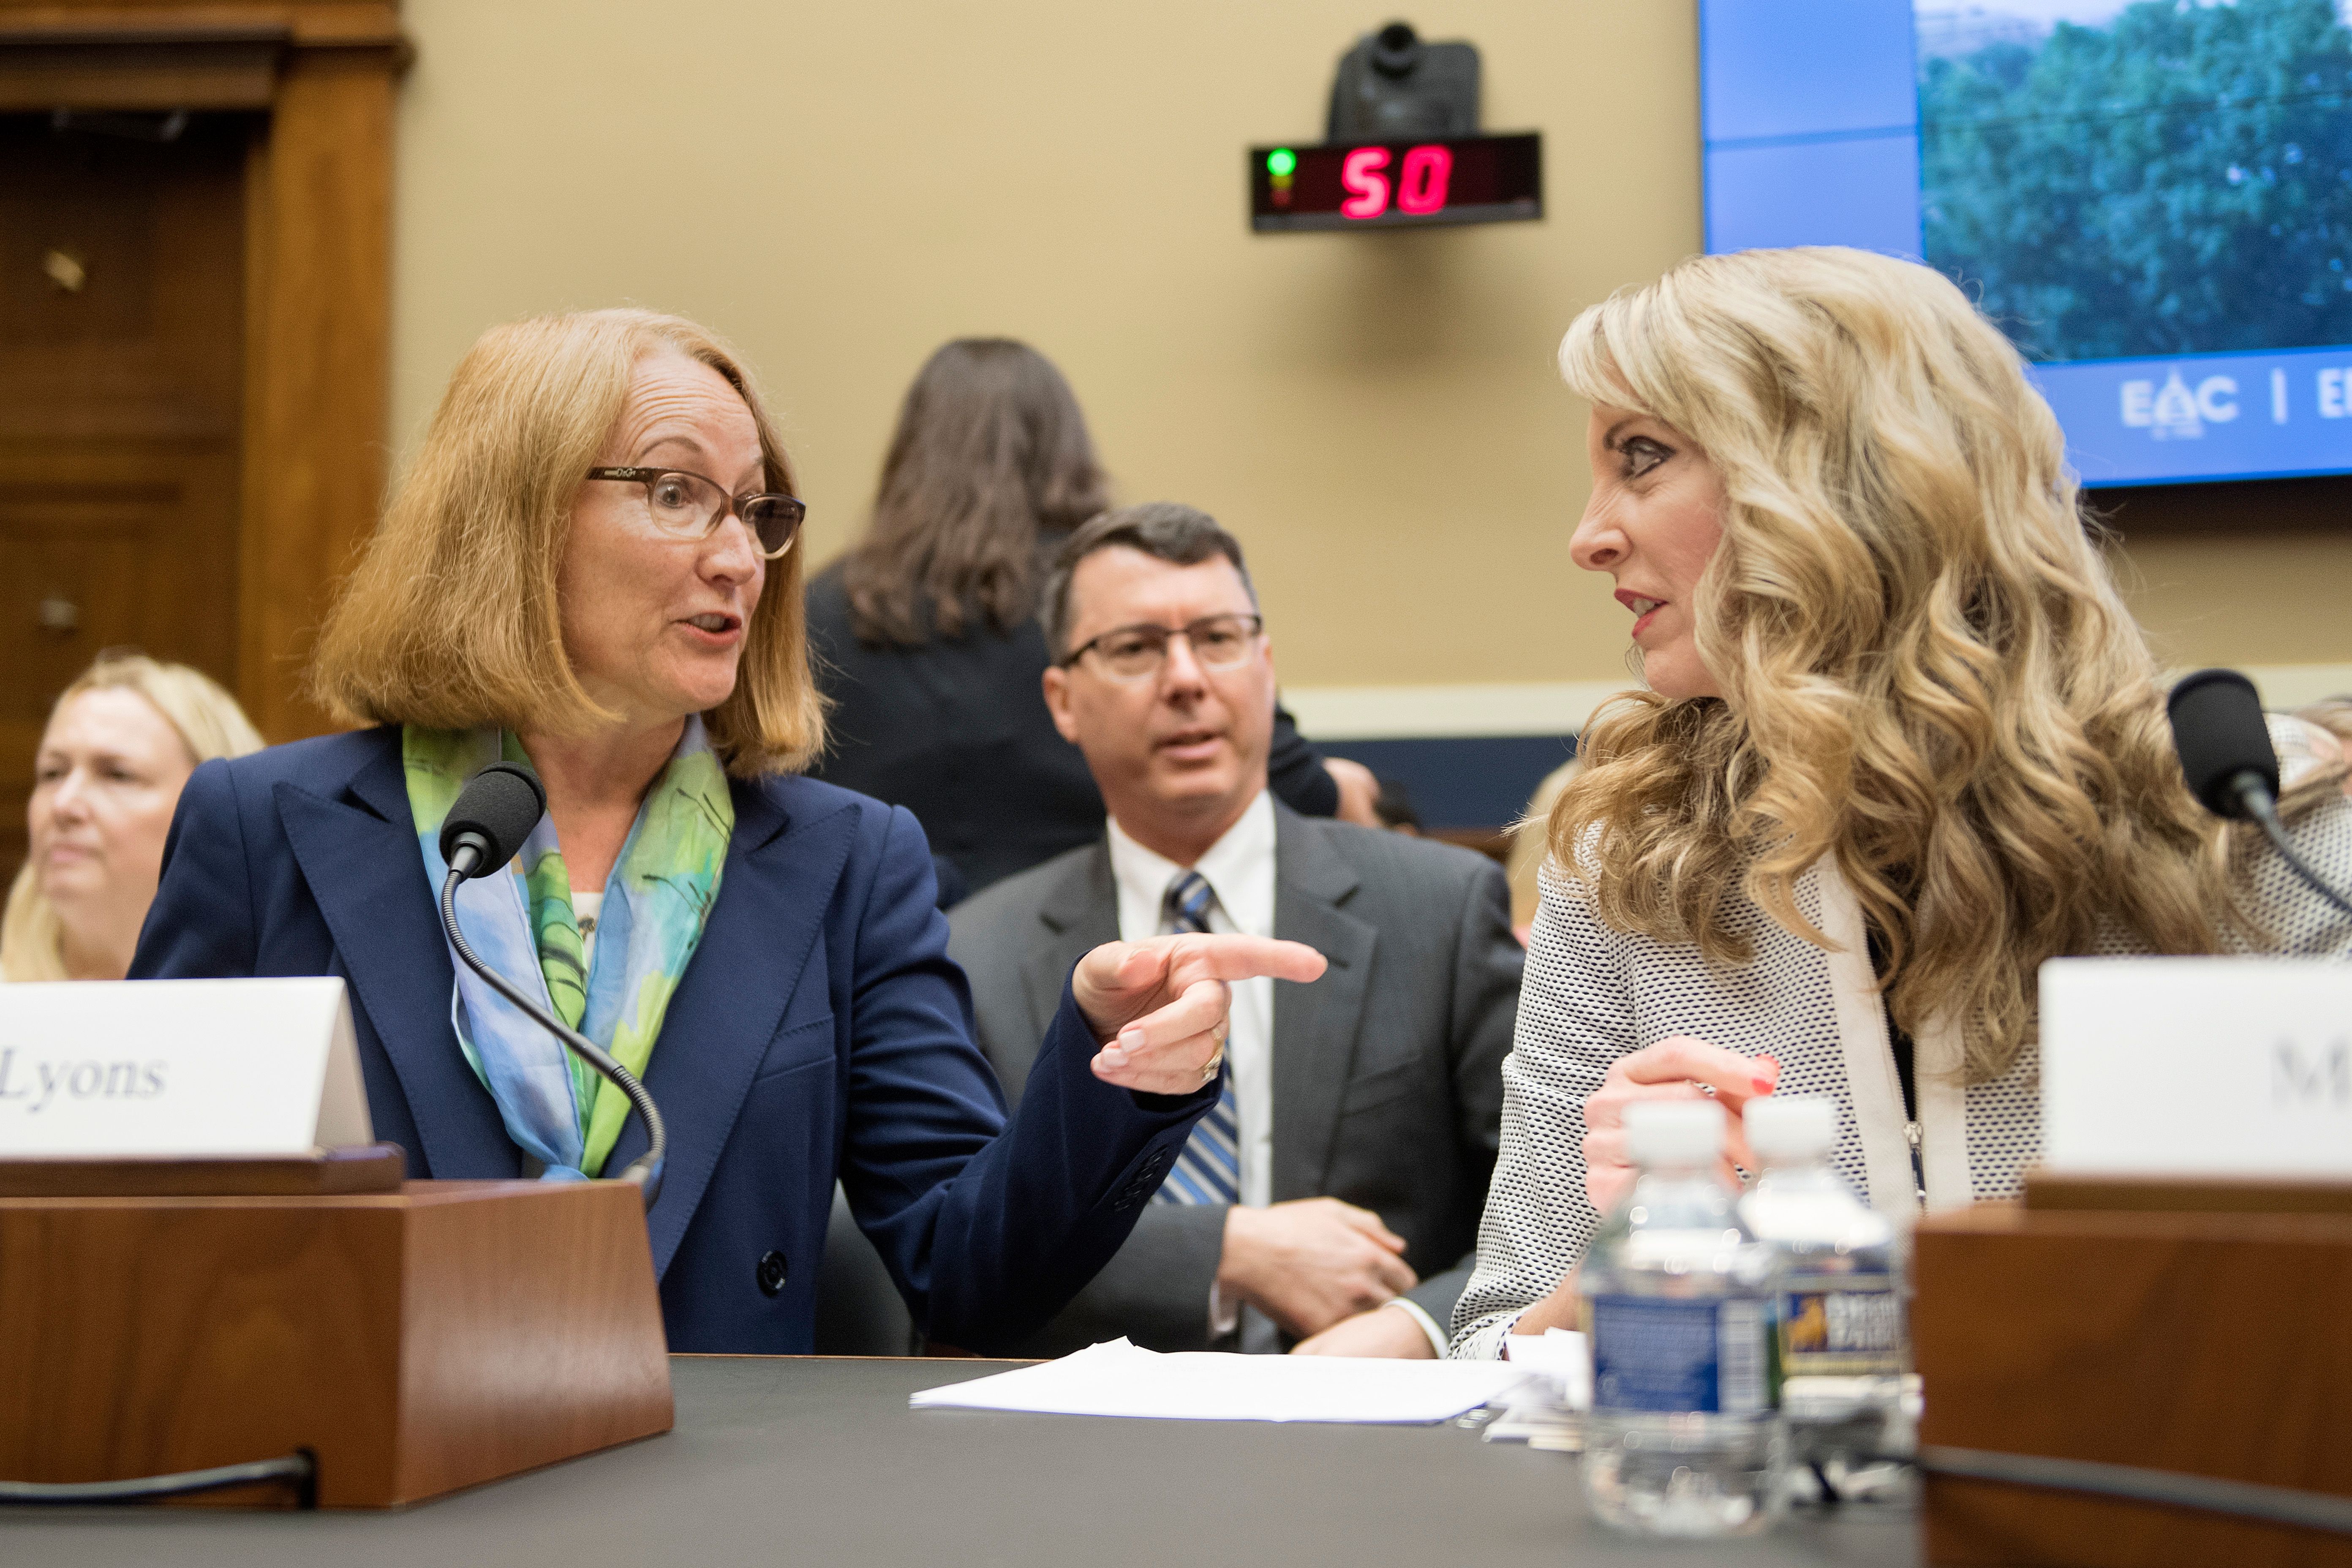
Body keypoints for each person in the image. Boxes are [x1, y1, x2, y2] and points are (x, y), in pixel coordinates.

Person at [129, 309, 1323, 1356]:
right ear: (512, 519)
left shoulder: (847, 862)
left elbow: (972, 1271)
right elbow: (145, 1232)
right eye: (674, 491)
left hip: (708, 1504)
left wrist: (1111, 1067)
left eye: (759, 510)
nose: (739, 555)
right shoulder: (267, 830)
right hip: (375, 1484)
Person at [1452, 247, 2352, 1358]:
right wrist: (1650, 1254)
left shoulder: (2266, 830)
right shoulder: (1627, 862)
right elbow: (1495, 1346)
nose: (1587, 537)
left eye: (1642, 458)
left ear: (1843, 482)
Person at [949, 504, 1521, 1359]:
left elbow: (1548, 1211)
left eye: (1218, 636)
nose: (1185, 677)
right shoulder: (976, 951)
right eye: (1135, 648)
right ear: (1063, 701)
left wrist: (1417, 1327)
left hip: (1374, 1434)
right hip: (1080, 1442)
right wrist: (1224, 1249)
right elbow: (954, 1251)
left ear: (1266, 663)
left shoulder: (1437, 908)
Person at [804, 338, 1377, 901]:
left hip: (886, 949)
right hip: (1098, 942)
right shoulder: (1115, 599)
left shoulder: (818, 610)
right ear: (1067, 448)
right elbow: (1289, 779)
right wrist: (1350, 790)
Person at [3, 651, 262, 983]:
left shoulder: (285, 1006)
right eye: (53, 773)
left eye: (118, 775)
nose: (63, 805)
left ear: (219, 811)